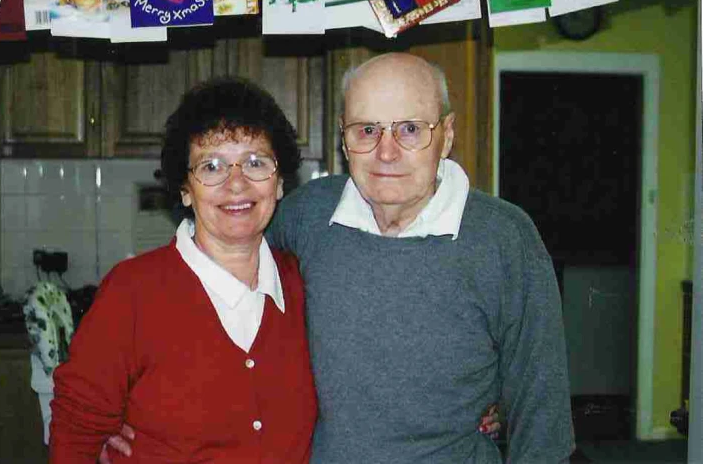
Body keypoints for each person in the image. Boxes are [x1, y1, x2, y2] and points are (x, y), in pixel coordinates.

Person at [102, 52, 571, 463]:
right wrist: (133, 420)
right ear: (345, 140)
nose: (386, 151)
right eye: (367, 129)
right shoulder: (309, 216)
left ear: (446, 136)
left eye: (410, 129)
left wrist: (499, 408)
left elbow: (541, 413)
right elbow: (212, 279)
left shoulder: (505, 240)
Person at [49, 77, 318, 463]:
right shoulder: (133, 293)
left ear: (278, 182)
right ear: (185, 189)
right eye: (212, 166)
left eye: (256, 162)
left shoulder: (305, 285)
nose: (236, 183)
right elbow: (75, 432)